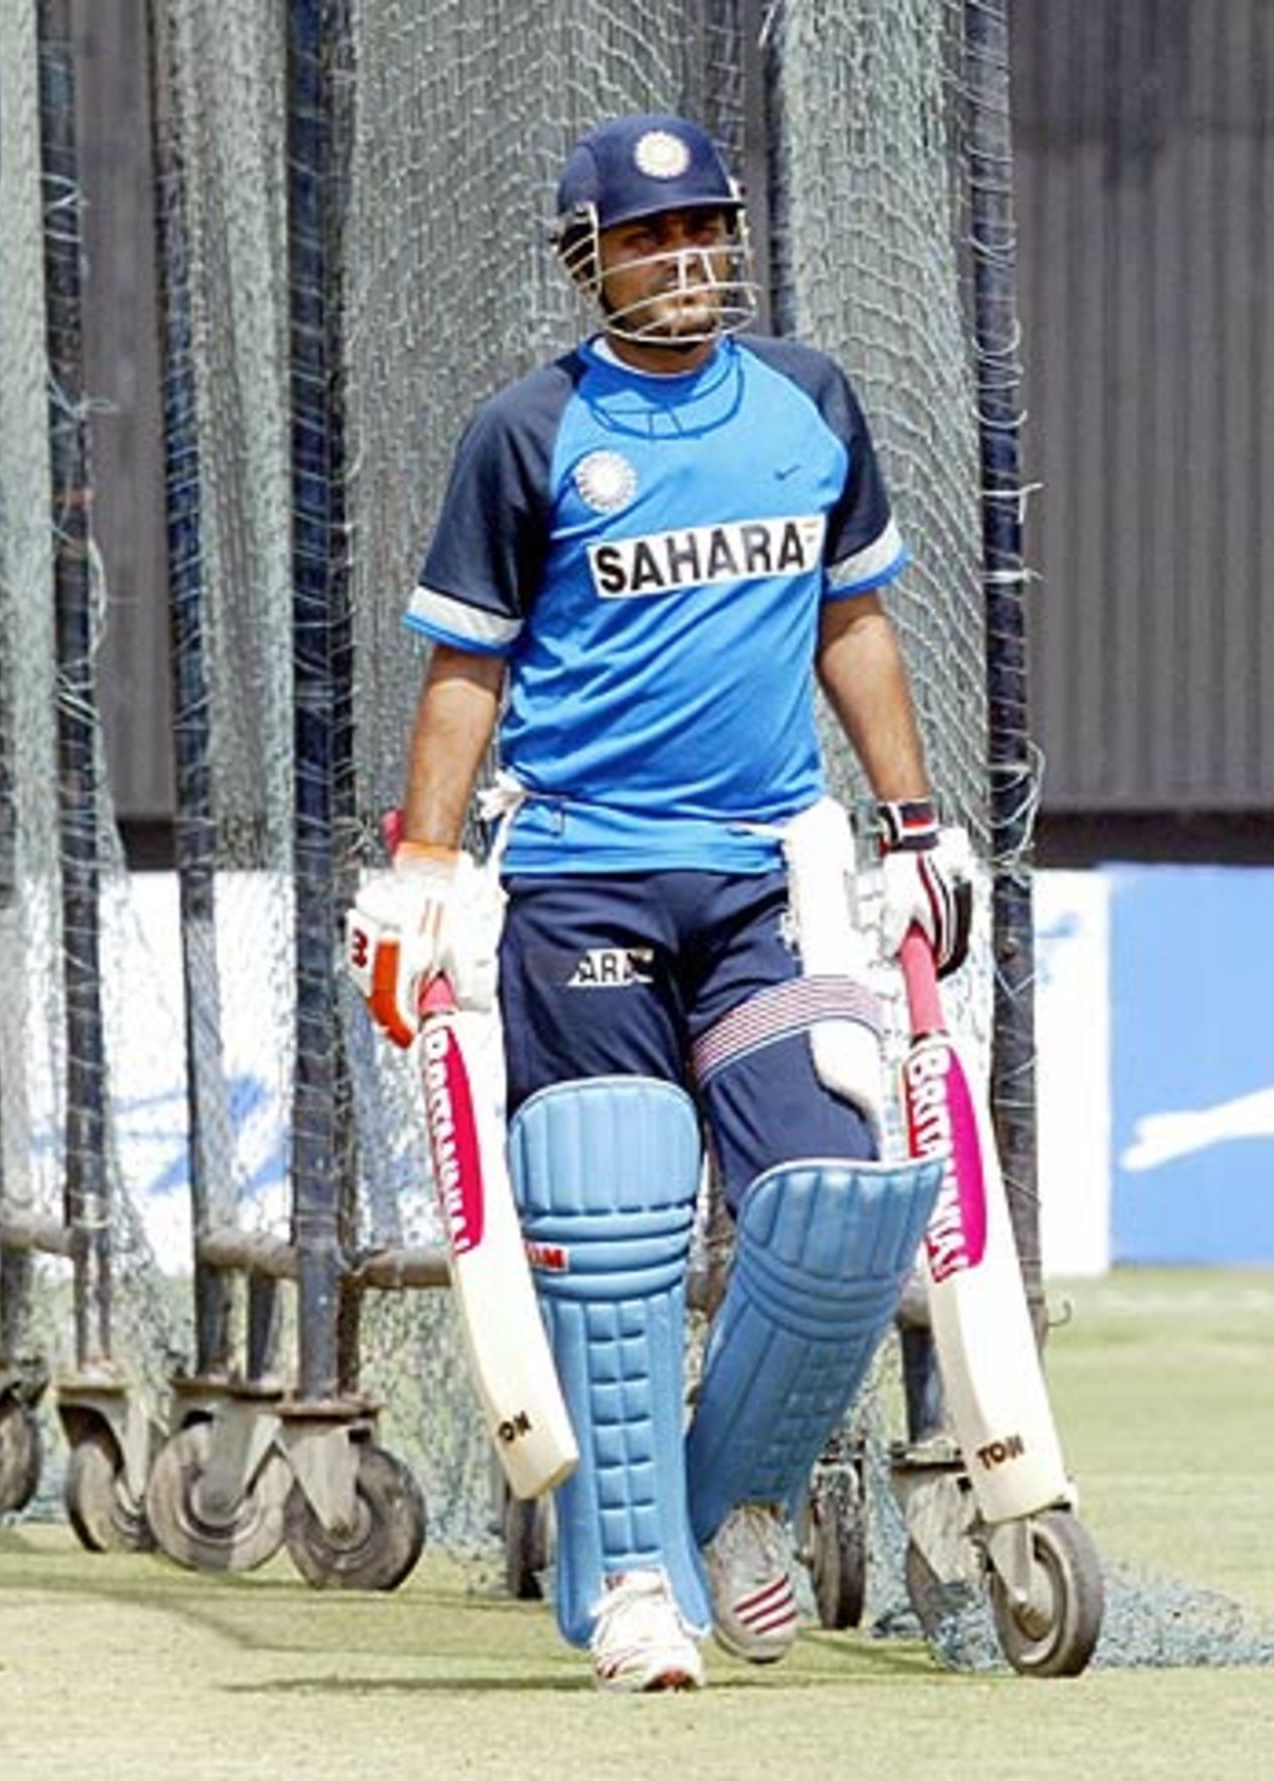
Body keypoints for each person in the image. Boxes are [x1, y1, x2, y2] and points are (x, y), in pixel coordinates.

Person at [348, 113, 970, 1692]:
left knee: (839, 1211)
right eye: (648, 235)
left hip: (770, 874)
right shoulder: (530, 431)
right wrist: (424, 872)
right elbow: (465, 670)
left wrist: (908, 821)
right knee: (614, 1212)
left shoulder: (810, 402)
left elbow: (859, 623)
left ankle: (722, 1508)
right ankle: (633, 1579)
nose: (685, 258)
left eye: (704, 227)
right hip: (577, 875)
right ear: (589, 258)